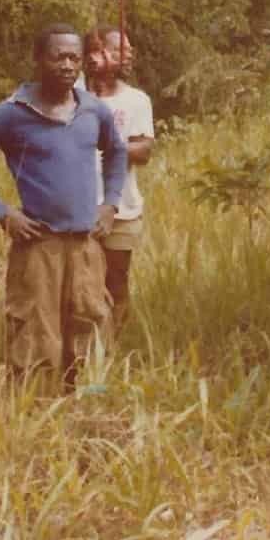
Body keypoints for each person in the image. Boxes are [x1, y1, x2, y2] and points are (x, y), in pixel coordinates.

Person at [0, 24, 126, 388]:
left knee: (89, 325)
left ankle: (88, 411)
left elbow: (117, 151)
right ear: (39, 59)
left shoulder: (92, 109)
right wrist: (4, 213)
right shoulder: (10, 114)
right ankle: (37, 421)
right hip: (38, 245)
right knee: (35, 337)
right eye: (58, 56)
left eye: (75, 57)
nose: (68, 65)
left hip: (86, 242)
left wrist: (111, 204)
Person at [81, 25, 155, 337]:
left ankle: (111, 345)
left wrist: (115, 147)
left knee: (117, 280)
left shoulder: (137, 100)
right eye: (118, 49)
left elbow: (145, 149)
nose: (128, 55)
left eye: (129, 49)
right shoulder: (74, 98)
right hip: (79, 208)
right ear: (95, 55)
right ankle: (83, 344)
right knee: (83, 283)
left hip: (122, 208)